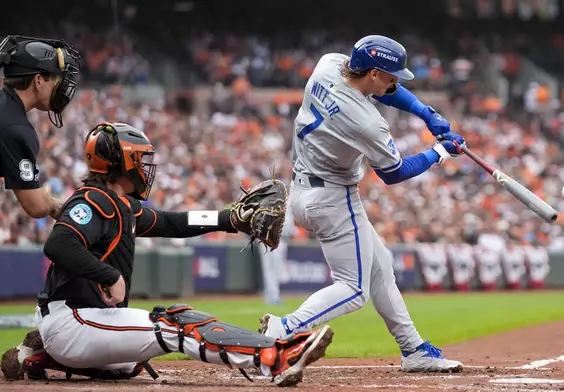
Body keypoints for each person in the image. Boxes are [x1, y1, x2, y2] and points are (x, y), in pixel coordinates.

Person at [0, 122, 333, 387]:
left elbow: (174, 222)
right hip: (73, 319)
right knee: (173, 324)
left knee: (128, 364)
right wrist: (110, 276)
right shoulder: (93, 201)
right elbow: (58, 244)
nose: (145, 168)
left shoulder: (120, 206)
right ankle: (275, 357)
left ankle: (37, 354)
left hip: (81, 324)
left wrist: (229, 219)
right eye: (140, 160)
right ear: (122, 163)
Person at [258, 35, 465, 372]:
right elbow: (394, 172)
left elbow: (385, 89)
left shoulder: (328, 64)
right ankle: (285, 330)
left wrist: (425, 113)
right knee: (354, 290)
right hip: (333, 198)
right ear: (371, 74)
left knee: (381, 268)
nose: (395, 82)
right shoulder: (367, 121)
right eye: (389, 76)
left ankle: (414, 350)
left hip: (304, 189)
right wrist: (439, 152)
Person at [0, 35, 81, 219]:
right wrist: (81, 212)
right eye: (56, 79)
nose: (61, 86)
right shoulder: (15, 127)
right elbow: (35, 206)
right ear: (39, 80)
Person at [261, 207, 295, 305]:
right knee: (270, 270)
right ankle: (272, 297)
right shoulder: (271, 204)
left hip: (281, 240)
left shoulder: (287, 205)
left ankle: (273, 296)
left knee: (275, 271)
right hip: (270, 239)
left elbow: (289, 228)